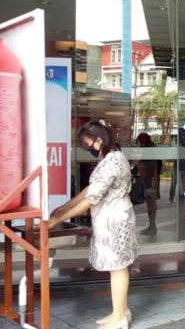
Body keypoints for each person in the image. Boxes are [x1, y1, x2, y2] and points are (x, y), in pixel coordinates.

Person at [48, 120, 138, 329]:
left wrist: (57, 220)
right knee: (116, 267)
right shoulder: (110, 158)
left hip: (115, 220)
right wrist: (64, 207)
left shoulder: (112, 162)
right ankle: (120, 311)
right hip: (110, 218)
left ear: (99, 140)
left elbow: (91, 198)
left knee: (117, 267)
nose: (88, 148)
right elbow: (90, 189)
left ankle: (119, 318)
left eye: (89, 144)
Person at [136, 133, 162, 236]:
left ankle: (152, 226)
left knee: (151, 203)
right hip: (152, 180)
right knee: (151, 203)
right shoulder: (151, 149)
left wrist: (147, 185)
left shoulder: (148, 151)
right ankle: (151, 226)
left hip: (150, 181)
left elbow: (150, 167)